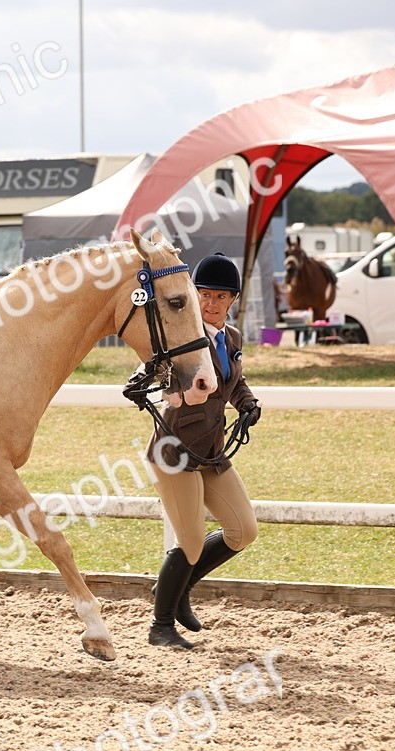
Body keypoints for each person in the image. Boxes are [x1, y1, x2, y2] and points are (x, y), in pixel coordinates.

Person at [146, 252, 262, 649]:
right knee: (192, 541)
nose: (211, 304)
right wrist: (186, 396)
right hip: (174, 453)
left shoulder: (232, 339)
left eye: (220, 297)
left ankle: (178, 589)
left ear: (233, 300)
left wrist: (248, 404)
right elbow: (167, 393)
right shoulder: (183, 341)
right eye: (204, 295)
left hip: (211, 451)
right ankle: (160, 625)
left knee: (243, 529)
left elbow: (236, 382)